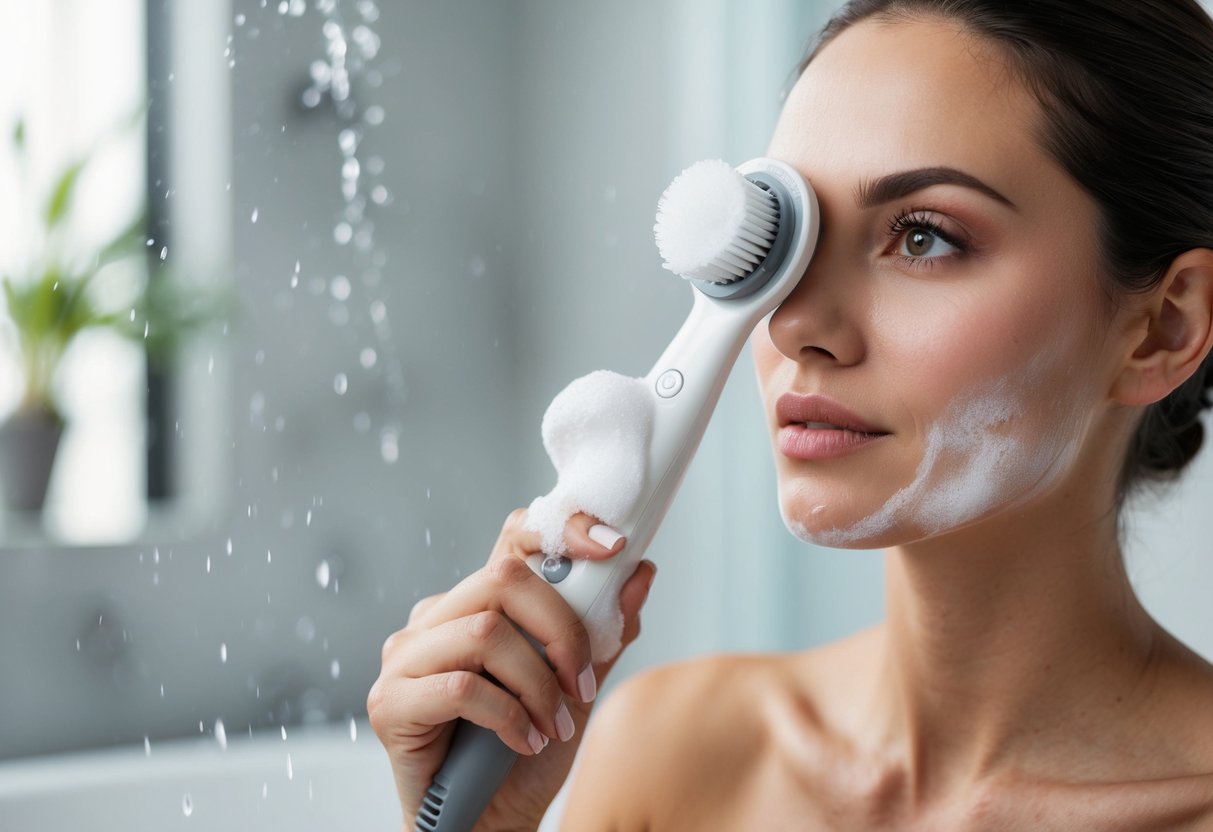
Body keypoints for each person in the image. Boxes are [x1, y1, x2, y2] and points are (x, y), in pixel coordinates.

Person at [369, 0, 1213, 827]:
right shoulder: (671, 757)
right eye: (792, 239)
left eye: (922, 237)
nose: (796, 324)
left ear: (1162, 327)